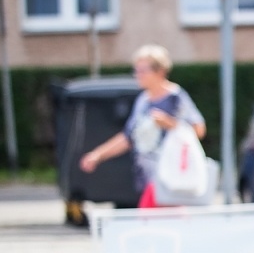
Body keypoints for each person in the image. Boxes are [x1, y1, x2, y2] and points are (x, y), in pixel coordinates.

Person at [79, 44, 206, 207]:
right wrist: (97, 155)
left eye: (143, 71)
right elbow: (129, 137)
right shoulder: (143, 100)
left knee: (151, 218)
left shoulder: (175, 98)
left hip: (170, 179)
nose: (138, 75)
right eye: (136, 70)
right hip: (147, 179)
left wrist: (170, 124)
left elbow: (199, 130)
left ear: (160, 71)